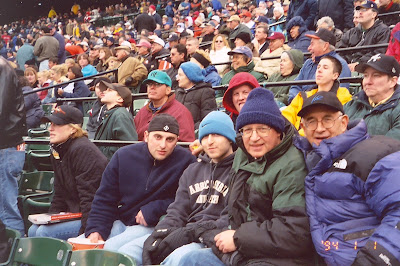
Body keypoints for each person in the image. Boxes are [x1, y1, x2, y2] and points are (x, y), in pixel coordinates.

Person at [180, 88, 313, 265]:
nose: (254, 137)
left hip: (279, 255)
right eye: (247, 130)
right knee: (190, 259)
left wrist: (238, 238)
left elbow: (293, 232)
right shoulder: (244, 153)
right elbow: (235, 209)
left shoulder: (292, 164)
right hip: (248, 246)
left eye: (262, 129)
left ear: (278, 131)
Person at [295, 91, 400, 265]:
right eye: (311, 121)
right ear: (303, 127)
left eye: (327, 119)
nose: (319, 128)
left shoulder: (374, 154)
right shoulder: (306, 158)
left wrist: (371, 261)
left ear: (343, 122)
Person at [85, 114, 196, 258]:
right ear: (146, 136)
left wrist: (156, 208)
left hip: (154, 225)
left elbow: (189, 201)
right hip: (122, 220)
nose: (163, 145)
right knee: (84, 247)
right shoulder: (124, 155)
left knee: (111, 250)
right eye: (158, 137)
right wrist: (96, 229)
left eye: (170, 139)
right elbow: (105, 198)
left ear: (176, 141)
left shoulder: (187, 161)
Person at [141, 111, 236, 265]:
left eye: (216, 135)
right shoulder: (193, 170)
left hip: (214, 237)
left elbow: (231, 217)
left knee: (178, 259)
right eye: (205, 136)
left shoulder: (239, 170)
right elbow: (178, 209)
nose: (210, 142)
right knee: (141, 250)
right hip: (186, 233)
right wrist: (160, 233)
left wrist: (192, 233)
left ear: (230, 138)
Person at [28, 105, 108, 240]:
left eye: (57, 124)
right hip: (74, 213)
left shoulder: (83, 150)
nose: (50, 129)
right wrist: (50, 218)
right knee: (33, 230)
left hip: (97, 219)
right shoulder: (59, 148)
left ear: (72, 129)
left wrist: (85, 234)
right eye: (50, 124)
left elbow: (90, 198)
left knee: (43, 233)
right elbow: (59, 193)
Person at [283, 55, 352, 135]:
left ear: (335, 75)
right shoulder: (303, 96)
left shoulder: (343, 96)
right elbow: (286, 117)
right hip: (294, 140)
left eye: (325, 68)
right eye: (318, 67)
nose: (319, 70)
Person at [344, 54, 400, 140]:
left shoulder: (397, 110)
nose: (367, 82)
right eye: (365, 76)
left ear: (393, 81)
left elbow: (389, 148)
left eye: (376, 75)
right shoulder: (352, 104)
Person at [0, 57, 26, 236]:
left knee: (6, 206)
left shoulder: (3, 70)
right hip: (6, 144)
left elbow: (1, 109)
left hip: (6, 145)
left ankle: (15, 257)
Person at [289, 28, 352, 103]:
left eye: (312, 44)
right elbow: (295, 87)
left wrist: (308, 102)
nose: (309, 48)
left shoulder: (340, 65)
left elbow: (339, 96)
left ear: (325, 46)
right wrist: (299, 101)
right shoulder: (308, 63)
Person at [134, 70, 196, 141]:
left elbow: (186, 144)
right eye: (149, 84)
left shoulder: (181, 112)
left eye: (157, 84)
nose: (152, 87)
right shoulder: (142, 112)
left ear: (168, 90)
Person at [339, 1, 391, 71]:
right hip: (346, 69)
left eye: (364, 10)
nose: (360, 12)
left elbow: (379, 53)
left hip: (368, 70)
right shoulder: (351, 32)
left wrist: (359, 63)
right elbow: (341, 51)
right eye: (359, 10)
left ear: (374, 14)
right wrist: (344, 64)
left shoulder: (383, 31)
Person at [94, 81, 138, 160]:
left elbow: (128, 147)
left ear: (120, 98)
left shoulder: (120, 115)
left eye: (110, 90)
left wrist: (101, 155)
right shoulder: (114, 113)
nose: (104, 91)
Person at [175, 62, 217, 129]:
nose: (177, 78)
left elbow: (208, 120)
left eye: (180, 75)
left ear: (190, 76)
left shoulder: (205, 92)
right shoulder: (178, 92)